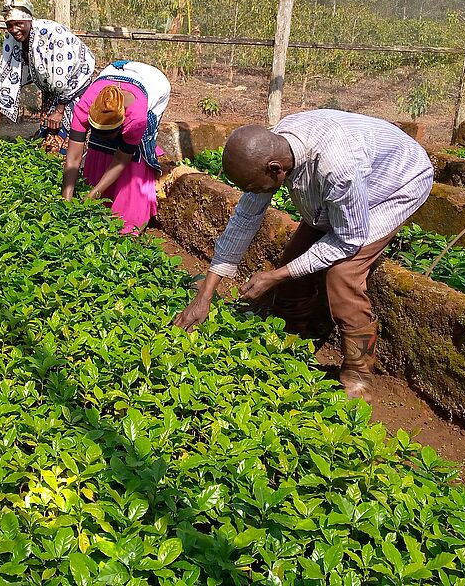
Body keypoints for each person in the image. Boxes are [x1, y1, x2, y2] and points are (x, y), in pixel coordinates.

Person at [172, 110, 433, 401]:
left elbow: (349, 239)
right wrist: (205, 295)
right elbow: (244, 219)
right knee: (295, 260)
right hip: (348, 183)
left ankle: (359, 374)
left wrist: (275, 276)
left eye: (255, 187)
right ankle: (290, 336)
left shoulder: (337, 168)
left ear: (275, 169)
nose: (254, 194)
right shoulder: (278, 148)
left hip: (395, 185)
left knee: (343, 275)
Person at [61, 60, 171, 233]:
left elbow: (121, 159)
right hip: (116, 71)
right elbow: (73, 159)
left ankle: (130, 213)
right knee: (99, 144)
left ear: (123, 122)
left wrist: (94, 193)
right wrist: (65, 201)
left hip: (153, 81)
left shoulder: (136, 118)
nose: (101, 136)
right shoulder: (83, 108)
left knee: (137, 150)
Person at [0, 0, 95, 151]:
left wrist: (59, 111)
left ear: (30, 20)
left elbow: (65, 74)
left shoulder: (51, 34)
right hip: (52, 90)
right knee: (47, 141)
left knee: (69, 144)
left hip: (75, 84)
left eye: (19, 24)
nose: (14, 29)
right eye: (9, 25)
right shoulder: (13, 40)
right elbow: (6, 80)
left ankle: (76, 169)